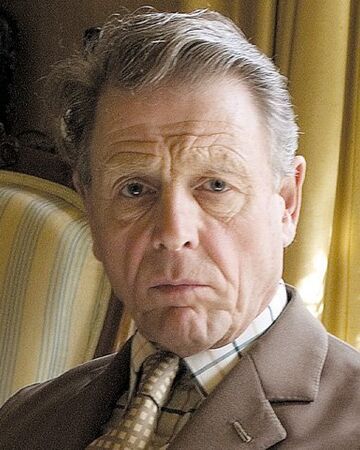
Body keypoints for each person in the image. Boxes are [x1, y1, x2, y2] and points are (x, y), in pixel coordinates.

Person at [0, 8, 359, 450]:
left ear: (286, 204)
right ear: (92, 212)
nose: (173, 231)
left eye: (216, 185)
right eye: (134, 189)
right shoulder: (23, 421)